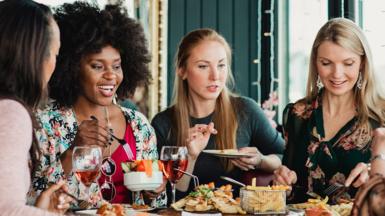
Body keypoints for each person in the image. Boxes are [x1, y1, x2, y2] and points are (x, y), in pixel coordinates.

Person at [28, 1, 166, 207]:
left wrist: (154, 193)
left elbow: (156, 205)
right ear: (73, 67)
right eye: (97, 66)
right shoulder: (45, 125)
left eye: (117, 66)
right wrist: (74, 151)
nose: (111, 75)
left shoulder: (139, 126)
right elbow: (32, 201)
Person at [151, 28, 285, 201]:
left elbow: (283, 157)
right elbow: (170, 195)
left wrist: (260, 160)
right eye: (203, 66)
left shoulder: (246, 110)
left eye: (221, 65)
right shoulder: (163, 124)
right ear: (182, 70)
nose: (215, 76)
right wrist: (190, 156)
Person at [273, 17, 385, 203]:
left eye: (348, 63)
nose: (337, 74)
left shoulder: (381, 117)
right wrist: (283, 183)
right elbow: (288, 189)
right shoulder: (297, 114)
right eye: (326, 63)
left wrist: (374, 170)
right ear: (316, 64)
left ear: (362, 64)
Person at [0, 0, 74, 215]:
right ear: (34, 55)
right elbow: (6, 210)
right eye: (54, 54)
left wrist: (36, 210)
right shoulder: (10, 113)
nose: (54, 64)